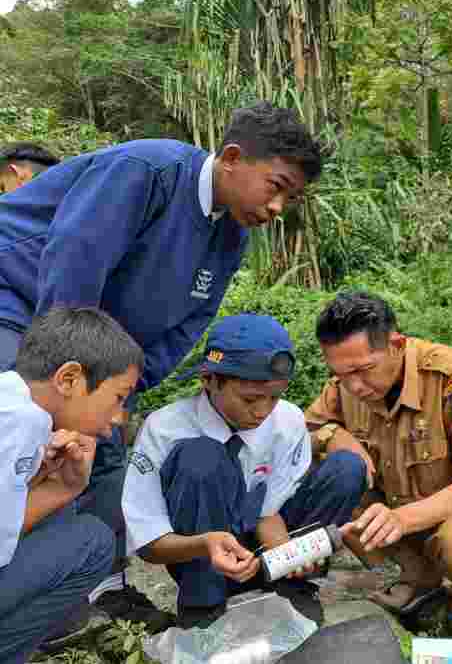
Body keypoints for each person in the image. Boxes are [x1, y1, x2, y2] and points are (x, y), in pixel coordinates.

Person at [0, 101, 324, 626]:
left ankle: (93, 589)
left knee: (104, 448)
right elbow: (70, 267)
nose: (279, 207)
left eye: (293, 197)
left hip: (95, 354)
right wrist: (74, 396)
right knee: (28, 420)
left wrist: (120, 396)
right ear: (233, 158)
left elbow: (186, 327)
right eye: (276, 185)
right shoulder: (146, 173)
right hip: (18, 303)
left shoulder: (230, 237)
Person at [305, 292, 452, 640]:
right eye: (340, 374)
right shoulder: (346, 384)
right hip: (407, 518)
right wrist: (333, 435)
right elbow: (300, 434)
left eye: (363, 371)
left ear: (396, 344)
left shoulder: (450, 372)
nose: (354, 386)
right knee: (333, 477)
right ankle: (420, 577)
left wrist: (400, 519)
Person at [122, 314, 367, 628]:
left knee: (346, 468)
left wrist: (287, 556)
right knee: (200, 456)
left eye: (274, 398)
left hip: (263, 553)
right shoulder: (165, 429)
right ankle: (204, 606)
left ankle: (291, 589)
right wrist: (205, 544)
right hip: (203, 558)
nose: (263, 412)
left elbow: (269, 512)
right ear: (209, 380)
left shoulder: (287, 420)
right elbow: (150, 545)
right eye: (250, 399)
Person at [0, 307, 143, 663]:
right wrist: (61, 490)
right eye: (118, 398)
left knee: (67, 525)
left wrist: (44, 479)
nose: (116, 419)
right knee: (92, 541)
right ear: (69, 379)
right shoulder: (24, 419)